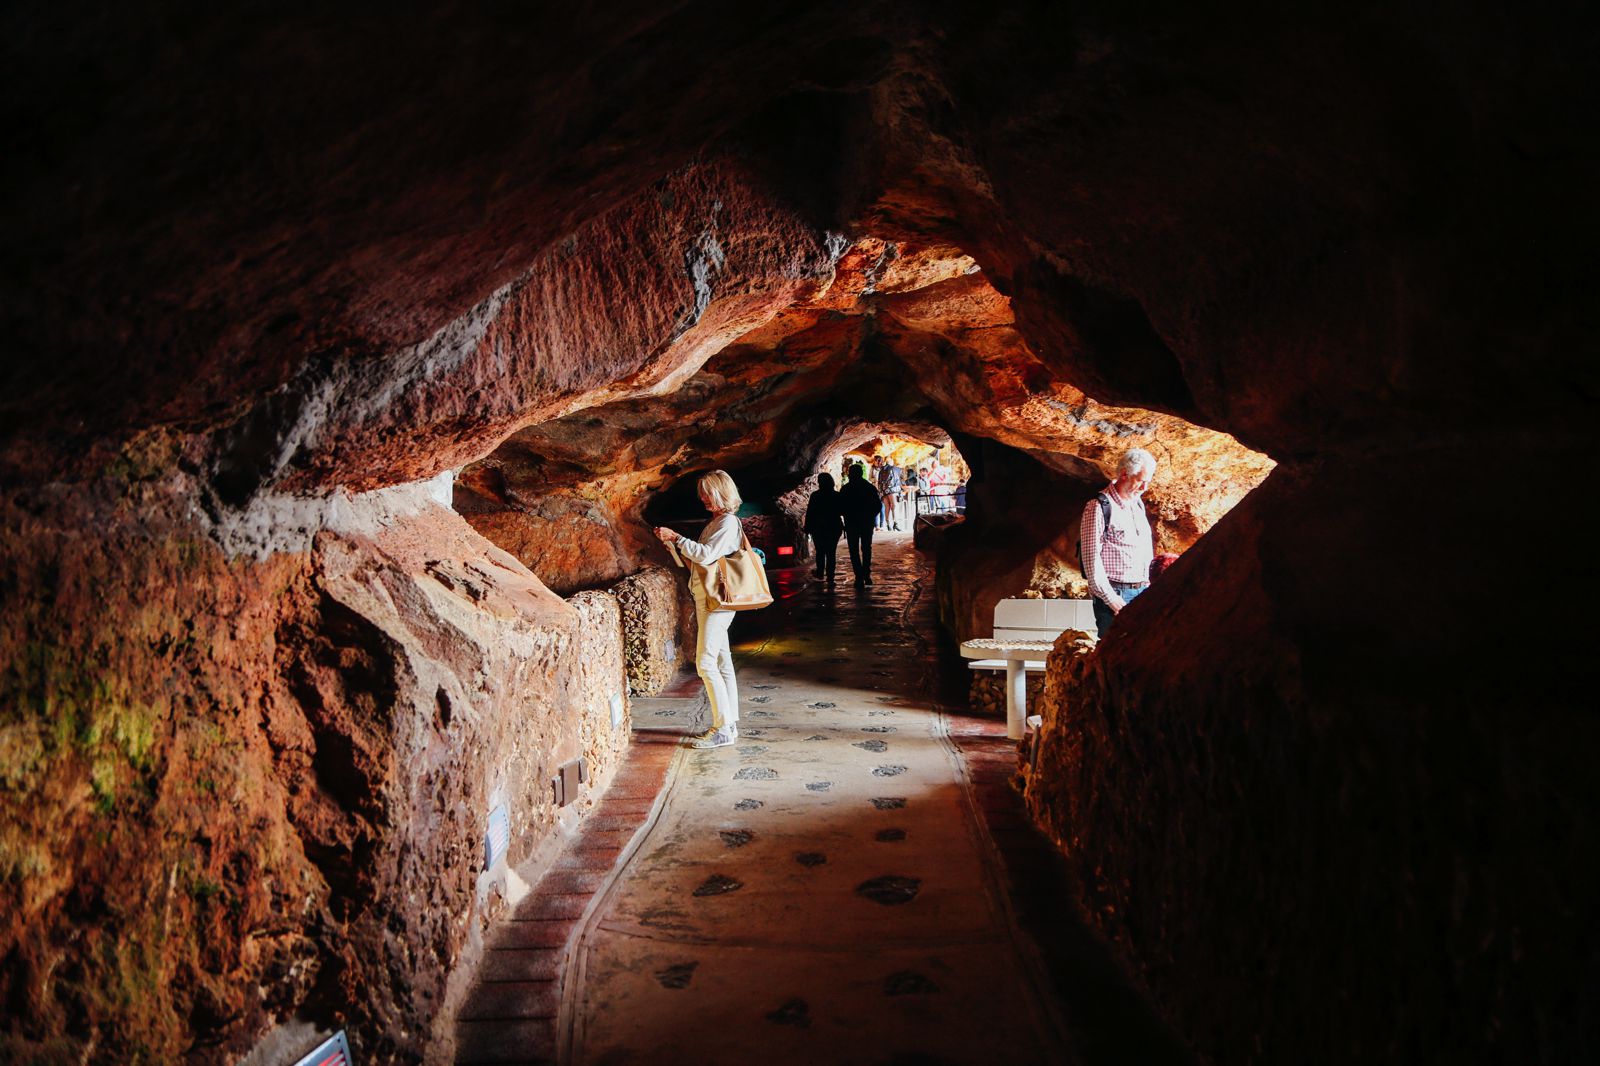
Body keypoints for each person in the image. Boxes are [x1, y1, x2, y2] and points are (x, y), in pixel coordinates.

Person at [653, 470, 746, 748]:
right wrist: (674, 545)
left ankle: (721, 729)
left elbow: (705, 555)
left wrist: (678, 538)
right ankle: (729, 725)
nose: (703, 498)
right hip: (709, 597)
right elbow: (699, 562)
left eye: (707, 493)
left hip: (715, 601)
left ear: (721, 493)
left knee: (705, 663)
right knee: (722, 662)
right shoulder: (717, 522)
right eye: (702, 493)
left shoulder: (727, 523)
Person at [1080, 448, 1156, 637]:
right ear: (1124, 474)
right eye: (1140, 480)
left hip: (1142, 591)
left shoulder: (1137, 504)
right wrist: (1111, 600)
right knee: (1113, 657)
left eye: (1148, 481)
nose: (1144, 487)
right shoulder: (1098, 507)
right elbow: (1091, 560)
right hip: (1116, 595)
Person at [837, 463, 883, 586]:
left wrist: (846, 515)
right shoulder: (869, 488)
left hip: (852, 522)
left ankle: (859, 575)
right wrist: (870, 516)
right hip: (866, 522)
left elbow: (840, 507)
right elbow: (878, 505)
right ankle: (866, 574)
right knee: (866, 548)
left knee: (853, 550)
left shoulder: (846, 489)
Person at [803, 472, 844, 585]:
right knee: (831, 552)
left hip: (818, 527)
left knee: (820, 551)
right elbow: (842, 511)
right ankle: (830, 577)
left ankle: (820, 573)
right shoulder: (837, 495)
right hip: (834, 526)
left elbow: (810, 512)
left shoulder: (815, 496)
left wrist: (807, 527)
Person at [877, 460, 904, 531]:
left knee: (887, 507)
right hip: (892, 489)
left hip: (884, 490)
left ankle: (888, 524)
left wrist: (881, 491)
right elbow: (898, 480)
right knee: (894, 506)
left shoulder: (881, 470)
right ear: (892, 463)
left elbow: (879, 481)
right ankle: (896, 523)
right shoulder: (894, 469)